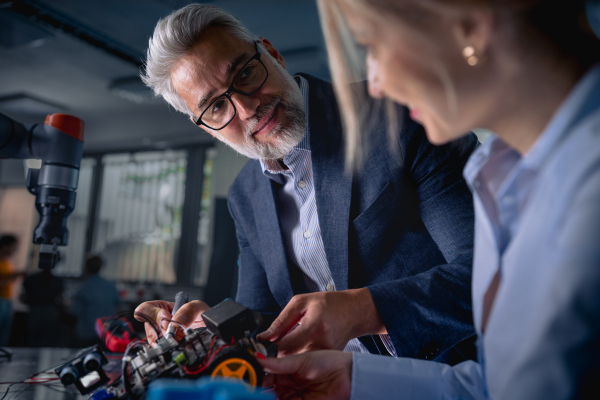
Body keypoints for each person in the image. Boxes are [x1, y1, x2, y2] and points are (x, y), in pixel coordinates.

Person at [257, 0, 600, 399]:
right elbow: (505, 387)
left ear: (470, 23)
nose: (376, 83)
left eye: (372, 45)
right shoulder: (498, 173)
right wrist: (354, 380)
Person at [136, 4, 480, 363]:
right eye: (217, 108)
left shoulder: (400, 115)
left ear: (272, 54)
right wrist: (213, 330)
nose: (247, 108)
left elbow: (490, 271)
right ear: (205, 126)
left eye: (246, 74)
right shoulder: (244, 196)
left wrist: (362, 310)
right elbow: (263, 322)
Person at [73, 255, 121, 347]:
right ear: (101, 267)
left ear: (86, 267)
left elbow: (76, 312)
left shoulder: (84, 287)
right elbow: (118, 305)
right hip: (106, 332)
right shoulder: (110, 286)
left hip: (87, 332)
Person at [22, 259, 65, 347]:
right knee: (46, 343)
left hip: (35, 311)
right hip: (50, 313)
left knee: (33, 342)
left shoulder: (31, 279)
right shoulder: (57, 281)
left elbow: (23, 298)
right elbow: (60, 300)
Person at [0, 235, 23, 346]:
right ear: (5, 246)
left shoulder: (8, 262)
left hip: (7, 300)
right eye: (13, 247)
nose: (15, 250)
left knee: (4, 335)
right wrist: (12, 276)